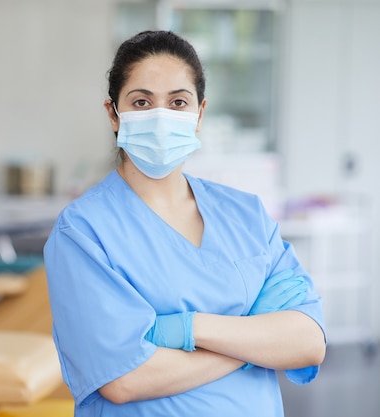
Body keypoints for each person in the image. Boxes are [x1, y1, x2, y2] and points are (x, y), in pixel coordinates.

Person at [43, 30, 325, 416]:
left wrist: (186, 329)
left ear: (199, 114)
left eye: (178, 102)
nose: (161, 117)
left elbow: (307, 340)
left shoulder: (246, 215)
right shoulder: (84, 230)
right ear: (114, 114)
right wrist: (254, 344)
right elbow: (125, 379)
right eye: (142, 102)